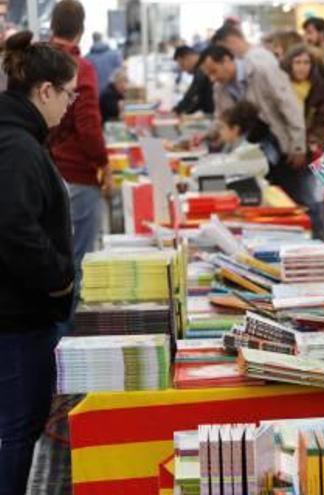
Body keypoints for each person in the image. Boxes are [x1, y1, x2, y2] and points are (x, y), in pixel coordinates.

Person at [0, 30, 78, 495]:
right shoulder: (17, 147)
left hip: (19, 312)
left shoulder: (18, 138)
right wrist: (59, 280)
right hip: (18, 316)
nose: (69, 107)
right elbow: (13, 227)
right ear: (45, 91)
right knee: (19, 428)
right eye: (68, 95)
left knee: (20, 423)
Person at [47, 0, 110, 323]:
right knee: (80, 261)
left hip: (43, 171)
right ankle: (71, 334)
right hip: (78, 172)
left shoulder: (35, 61)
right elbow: (88, 124)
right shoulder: (79, 68)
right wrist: (103, 163)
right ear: (81, 30)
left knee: (52, 259)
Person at [200, 44, 307, 171]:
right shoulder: (219, 88)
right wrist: (209, 135)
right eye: (208, 75)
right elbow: (221, 117)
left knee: (287, 187)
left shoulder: (262, 71)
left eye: (214, 71)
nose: (212, 79)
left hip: (279, 142)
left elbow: (290, 107)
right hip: (249, 148)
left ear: (226, 60)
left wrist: (298, 146)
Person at [281, 44, 324, 234]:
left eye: (306, 62)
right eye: (297, 62)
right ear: (289, 64)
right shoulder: (282, 85)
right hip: (284, 150)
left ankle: (317, 235)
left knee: (310, 196)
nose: (302, 67)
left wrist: (314, 140)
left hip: (309, 151)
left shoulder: (318, 85)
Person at [172, 45, 214, 115]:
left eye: (182, 64)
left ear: (188, 57)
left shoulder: (202, 67)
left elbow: (193, 92)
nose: (183, 69)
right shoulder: (200, 67)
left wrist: (177, 110)